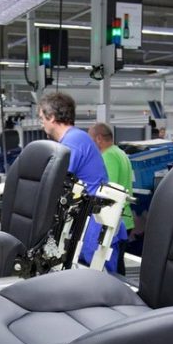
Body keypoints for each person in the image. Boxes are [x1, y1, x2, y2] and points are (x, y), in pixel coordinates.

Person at [38, 92, 127, 274]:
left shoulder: (73, 143)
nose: (41, 123)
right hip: (90, 222)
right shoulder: (74, 139)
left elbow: (54, 184)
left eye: (42, 118)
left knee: (103, 280)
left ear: (52, 117)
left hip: (97, 225)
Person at [89, 122, 135, 275]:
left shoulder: (107, 156)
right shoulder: (120, 153)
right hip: (125, 220)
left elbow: (109, 191)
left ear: (99, 139)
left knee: (111, 267)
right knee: (119, 265)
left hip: (115, 222)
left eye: (91, 139)